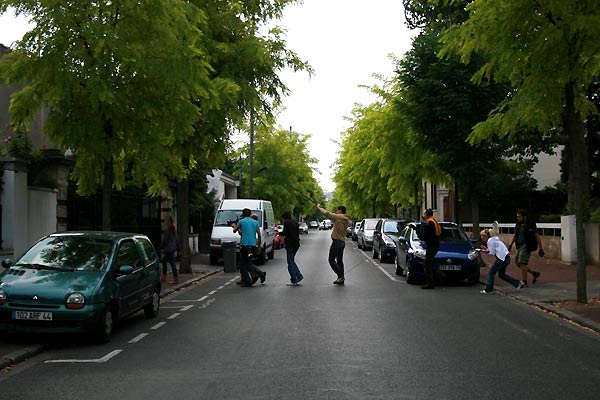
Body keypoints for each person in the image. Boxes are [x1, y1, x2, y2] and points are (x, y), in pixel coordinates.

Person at [480, 228, 525, 294]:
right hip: (506, 258)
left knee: (491, 273)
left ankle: (489, 290)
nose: (481, 237)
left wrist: (484, 251)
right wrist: (486, 249)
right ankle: (518, 283)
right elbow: (492, 250)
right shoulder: (495, 239)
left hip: (501, 259)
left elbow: (491, 253)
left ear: (486, 236)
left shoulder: (490, 240)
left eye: (482, 235)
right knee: (501, 274)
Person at [507, 209, 545, 287]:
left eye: (519, 216)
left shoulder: (531, 224)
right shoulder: (518, 224)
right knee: (518, 263)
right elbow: (515, 235)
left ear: (524, 216)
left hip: (527, 246)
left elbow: (537, 236)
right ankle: (534, 273)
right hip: (519, 245)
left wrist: (541, 248)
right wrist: (510, 245)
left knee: (522, 263)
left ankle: (525, 282)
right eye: (517, 217)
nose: (518, 218)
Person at [317, 203, 350, 285]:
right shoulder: (345, 219)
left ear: (340, 211)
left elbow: (327, 213)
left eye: (337, 210)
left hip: (337, 242)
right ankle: (340, 278)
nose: (336, 212)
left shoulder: (340, 217)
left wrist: (319, 207)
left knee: (331, 260)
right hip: (342, 242)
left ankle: (341, 276)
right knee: (339, 261)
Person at [231, 208, 263, 287]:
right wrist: (259, 246)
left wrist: (234, 226)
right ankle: (254, 275)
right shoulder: (255, 222)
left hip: (245, 246)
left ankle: (250, 278)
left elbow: (235, 231)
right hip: (253, 246)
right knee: (248, 261)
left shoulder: (241, 221)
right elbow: (259, 234)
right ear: (250, 214)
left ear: (243, 214)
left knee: (242, 264)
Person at [414, 208, 441, 289]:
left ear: (427, 215)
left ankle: (431, 282)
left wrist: (417, 229)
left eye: (424, 214)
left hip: (432, 245)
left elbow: (425, 235)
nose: (423, 215)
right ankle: (434, 280)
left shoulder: (430, 223)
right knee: (429, 263)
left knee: (427, 264)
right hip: (434, 244)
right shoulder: (434, 221)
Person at [281, 211, 303, 284]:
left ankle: (295, 277)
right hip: (296, 243)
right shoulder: (295, 222)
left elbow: (285, 232)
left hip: (290, 243)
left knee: (290, 262)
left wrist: (278, 233)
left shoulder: (286, 222)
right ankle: (296, 276)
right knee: (292, 261)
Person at [159, 215, 179, 284]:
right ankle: (165, 277)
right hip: (173, 248)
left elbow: (165, 241)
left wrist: (160, 247)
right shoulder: (173, 228)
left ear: (167, 221)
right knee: (166, 261)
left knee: (170, 263)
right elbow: (176, 239)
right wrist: (177, 247)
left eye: (165, 220)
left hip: (169, 249)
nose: (164, 221)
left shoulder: (167, 230)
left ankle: (172, 278)